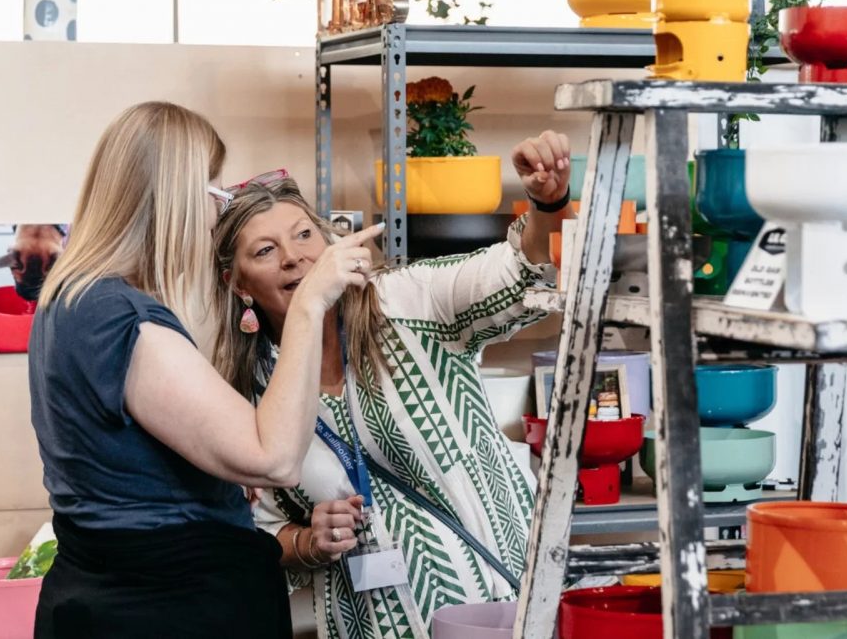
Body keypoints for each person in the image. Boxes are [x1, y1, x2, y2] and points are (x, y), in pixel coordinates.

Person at [28, 101, 384, 638]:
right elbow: (275, 458)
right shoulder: (119, 319)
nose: (218, 210)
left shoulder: (68, 301)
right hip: (167, 609)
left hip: (108, 593)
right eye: (212, 189)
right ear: (172, 196)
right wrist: (311, 302)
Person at [211, 130, 574, 638]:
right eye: (266, 250)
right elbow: (259, 529)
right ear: (238, 283)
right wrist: (309, 540)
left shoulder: (409, 301)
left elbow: (518, 269)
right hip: (371, 625)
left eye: (303, 235)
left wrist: (547, 201)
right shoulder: (246, 390)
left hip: (499, 609)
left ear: (330, 240)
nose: (293, 257)